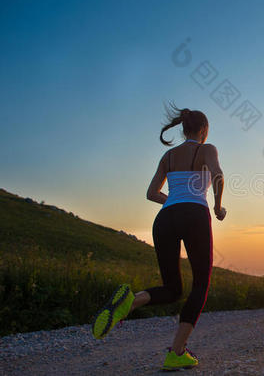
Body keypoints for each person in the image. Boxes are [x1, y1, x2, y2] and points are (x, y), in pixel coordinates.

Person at [91, 102, 226, 371]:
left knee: (172, 289)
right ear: (202, 130)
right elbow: (219, 176)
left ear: (184, 127)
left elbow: (151, 193)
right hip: (195, 216)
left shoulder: (167, 157)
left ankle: (129, 301)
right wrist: (217, 205)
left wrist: (174, 200)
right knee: (200, 284)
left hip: (165, 218)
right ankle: (176, 352)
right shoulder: (207, 149)